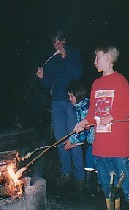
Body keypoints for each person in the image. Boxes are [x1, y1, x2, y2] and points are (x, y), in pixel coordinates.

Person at [74, 44, 129, 210]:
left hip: (118, 146)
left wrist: (113, 115)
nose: (94, 61)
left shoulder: (120, 81)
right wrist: (84, 122)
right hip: (101, 146)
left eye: (97, 57)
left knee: (128, 184)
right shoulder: (96, 84)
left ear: (108, 58)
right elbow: (93, 113)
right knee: (108, 187)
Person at [36, 31, 85, 188]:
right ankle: (66, 172)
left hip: (71, 102)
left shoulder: (74, 54)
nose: (57, 46)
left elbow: (77, 74)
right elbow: (48, 84)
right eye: (54, 43)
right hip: (56, 103)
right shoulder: (52, 59)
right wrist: (42, 77)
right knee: (60, 139)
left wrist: (65, 58)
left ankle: (80, 177)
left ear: (64, 41)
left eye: (59, 42)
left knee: (74, 137)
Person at [63, 80, 97, 193]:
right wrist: (73, 142)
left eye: (71, 96)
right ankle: (90, 187)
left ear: (78, 94)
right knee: (89, 161)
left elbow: (85, 131)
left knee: (98, 163)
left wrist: (72, 140)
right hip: (91, 142)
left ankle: (100, 187)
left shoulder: (84, 107)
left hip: (98, 142)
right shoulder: (79, 106)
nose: (70, 99)